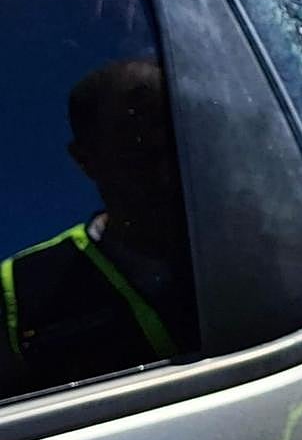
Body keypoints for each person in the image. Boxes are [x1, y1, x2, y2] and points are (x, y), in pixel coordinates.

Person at [0, 60, 197, 398]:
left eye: (174, 140)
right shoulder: (23, 290)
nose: (166, 172)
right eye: (137, 150)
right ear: (85, 159)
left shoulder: (299, 216)